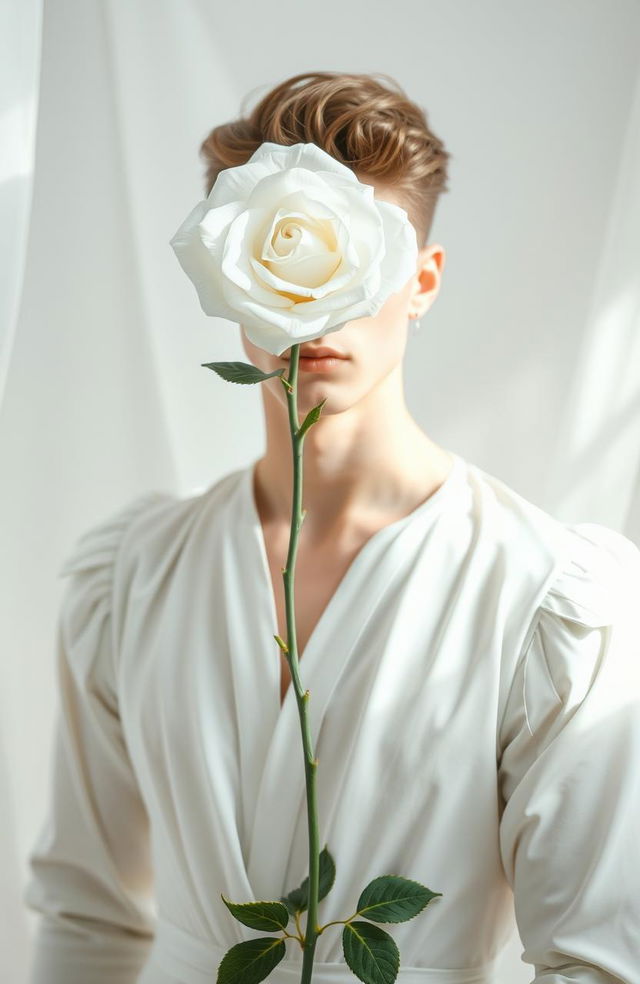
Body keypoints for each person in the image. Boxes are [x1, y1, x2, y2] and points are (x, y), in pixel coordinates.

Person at [23, 71, 640, 984]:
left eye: (362, 265)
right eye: (283, 263)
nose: (322, 306)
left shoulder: (546, 597)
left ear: (422, 281)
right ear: (226, 282)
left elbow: (595, 958)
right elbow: (87, 916)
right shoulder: (133, 578)